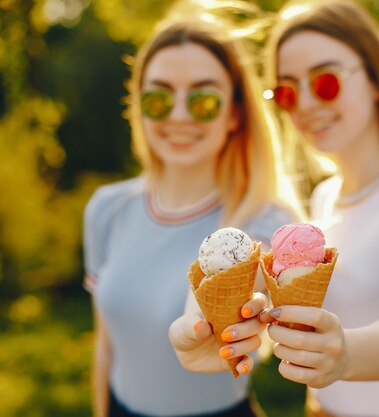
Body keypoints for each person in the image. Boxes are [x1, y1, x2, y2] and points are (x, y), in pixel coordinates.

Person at [170, 0, 379, 416]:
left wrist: (344, 355)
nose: (304, 104)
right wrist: (202, 323)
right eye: (287, 91)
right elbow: (247, 276)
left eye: (324, 82)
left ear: (378, 80)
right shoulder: (324, 199)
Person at [83, 2, 302, 416]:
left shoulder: (267, 222)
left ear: (235, 112)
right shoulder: (105, 210)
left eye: (203, 100)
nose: (179, 115)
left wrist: (195, 324)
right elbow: (106, 345)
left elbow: (229, 279)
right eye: (159, 99)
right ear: (138, 107)